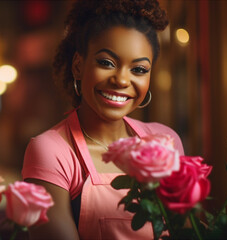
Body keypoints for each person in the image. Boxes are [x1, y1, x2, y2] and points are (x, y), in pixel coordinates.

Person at [22, 0, 185, 239]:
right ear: (78, 66)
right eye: (107, 63)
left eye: (138, 69)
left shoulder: (166, 141)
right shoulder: (51, 150)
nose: (121, 80)